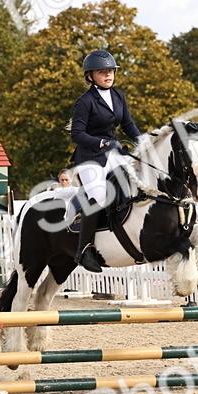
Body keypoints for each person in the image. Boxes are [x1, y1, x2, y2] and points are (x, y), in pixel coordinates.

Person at [68, 49, 142, 272]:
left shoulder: (119, 96)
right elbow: (77, 134)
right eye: (102, 72)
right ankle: (84, 249)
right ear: (90, 76)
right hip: (90, 157)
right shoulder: (85, 102)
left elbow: (128, 125)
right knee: (99, 195)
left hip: (113, 152)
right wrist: (100, 142)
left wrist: (145, 143)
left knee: (134, 182)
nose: (108, 75)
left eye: (110, 71)